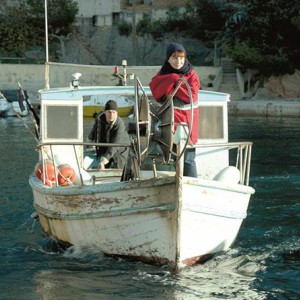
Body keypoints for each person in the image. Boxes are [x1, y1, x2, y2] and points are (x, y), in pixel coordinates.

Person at [149, 42, 200, 177]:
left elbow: (191, 96)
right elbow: (156, 91)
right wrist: (172, 78)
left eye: (181, 58)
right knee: (170, 155)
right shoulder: (163, 74)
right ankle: (172, 183)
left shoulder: (192, 74)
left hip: (188, 121)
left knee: (188, 158)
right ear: (168, 59)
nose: (178, 61)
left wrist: (174, 81)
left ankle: (191, 184)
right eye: (174, 57)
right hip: (169, 120)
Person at [87, 100, 130, 170]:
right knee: (101, 165)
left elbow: (115, 144)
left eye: (114, 112)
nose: (111, 115)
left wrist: (103, 161)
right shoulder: (100, 118)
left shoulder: (120, 125)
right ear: (105, 112)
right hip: (106, 147)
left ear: (117, 113)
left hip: (120, 151)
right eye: (109, 112)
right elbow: (94, 130)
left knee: (119, 169)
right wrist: (89, 142)